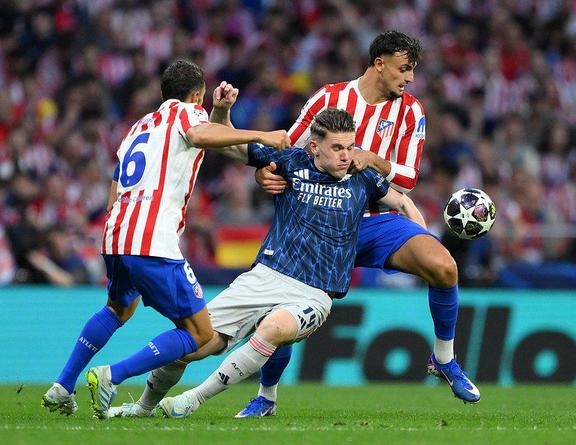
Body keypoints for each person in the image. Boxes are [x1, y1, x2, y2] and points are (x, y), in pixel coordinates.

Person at [108, 107, 425, 419]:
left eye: (350, 147)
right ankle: (142, 408)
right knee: (192, 342)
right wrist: (222, 110)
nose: (346, 156)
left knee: (273, 328)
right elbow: (231, 145)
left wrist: (424, 242)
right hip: (265, 276)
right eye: (337, 148)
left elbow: (402, 202)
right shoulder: (290, 161)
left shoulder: (363, 177)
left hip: (314, 293)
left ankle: (193, 399)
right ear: (314, 147)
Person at [241, 30, 480, 415]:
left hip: (378, 220)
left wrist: (374, 160)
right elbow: (289, 151)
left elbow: (408, 179)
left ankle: (444, 359)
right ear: (379, 64)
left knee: (443, 266)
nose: (410, 78)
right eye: (404, 69)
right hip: (321, 221)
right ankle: (266, 396)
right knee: (283, 314)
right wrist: (263, 172)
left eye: (413, 70)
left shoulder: (411, 111)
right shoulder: (329, 98)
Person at [41, 59, 290, 419]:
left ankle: (63, 386)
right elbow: (200, 135)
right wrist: (262, 135)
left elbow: (115, 186)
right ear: (197, 95)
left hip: (116, 234)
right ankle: (112, 376)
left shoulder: (139, 127)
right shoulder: (187, 113)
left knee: (117, 309)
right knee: (200, 333)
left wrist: (220, 113)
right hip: (152, 239)